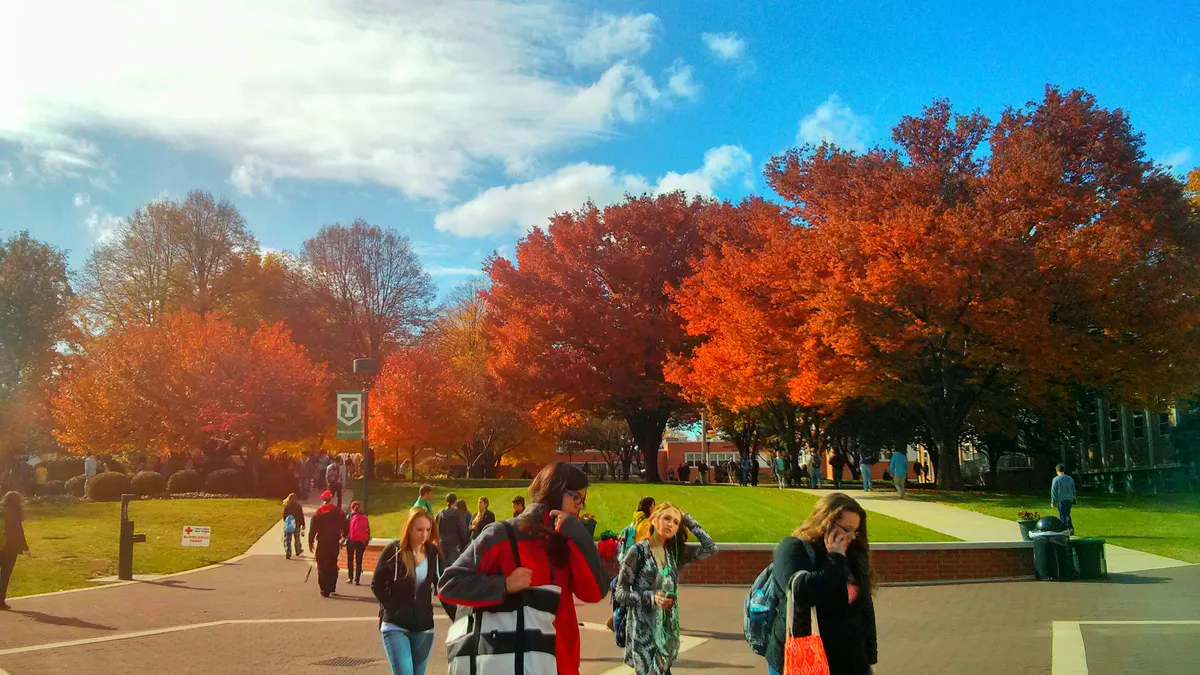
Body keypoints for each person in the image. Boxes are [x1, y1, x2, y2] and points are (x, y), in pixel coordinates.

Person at [438, 462, 607, 675]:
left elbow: (595, 592)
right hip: (509, 663)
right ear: (555, 491)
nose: (580, 506)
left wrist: (579, 535)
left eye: (583, 500)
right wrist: (504, 585)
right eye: (577, 498)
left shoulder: (565, 542)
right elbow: (449, 584)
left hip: (561, 665)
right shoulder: (502, 534)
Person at [767, 492, 878, 675]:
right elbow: (802, 593)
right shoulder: (793, 549)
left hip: (852, 661)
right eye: (846, 529)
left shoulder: (853, 555)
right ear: (826, 522)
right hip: (804, 660)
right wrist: (834, 558)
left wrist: (870, 657)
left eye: (856, 531)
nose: (852, 537)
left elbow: (865, 607)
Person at [615, 502, 718, 675]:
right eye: (667, 518)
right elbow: (620, 593)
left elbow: (710, 547)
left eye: (676, 522)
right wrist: (651, 597)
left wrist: (688, 520)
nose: (671, 524)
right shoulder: (638, 552)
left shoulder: (674, 553)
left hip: (667, 635)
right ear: (654, 520)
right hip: (644, 636)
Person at [372, 507, 451, 675]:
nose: (424, 535)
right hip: (395, 625)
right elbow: (376, 584)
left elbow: (443, 587)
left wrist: (457, 616)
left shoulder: (433, 553)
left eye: (428, 530)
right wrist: (393, 607)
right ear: (409, 528)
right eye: (419, 530)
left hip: (424, 627)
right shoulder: (394, 551)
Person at [308, 490, 348, 597]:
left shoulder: (318, 512)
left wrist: (310, 541)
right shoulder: (337, 511)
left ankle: (324, 589)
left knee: (322, 565)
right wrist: (344, 535)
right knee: (332, 563)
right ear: (331, 498)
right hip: (334, 541)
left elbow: (313, 528)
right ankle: (331, 586)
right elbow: (345, 524)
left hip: (322, 542)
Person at [1, 491, 31, 610]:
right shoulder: (15, 514)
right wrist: (26, 548)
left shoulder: (1, 512)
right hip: (9, 549)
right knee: (4, 576)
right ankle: (0, 601)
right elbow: (19, 534)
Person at [436, 493, 470, 563]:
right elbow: (462, 529)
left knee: (442, 566)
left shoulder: (440, 513)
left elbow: (435, 526)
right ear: (455, 501)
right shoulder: (457, 514)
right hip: (453, 546)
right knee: (453, 567)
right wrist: (464, 541)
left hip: (441, 543)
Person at [347, 501, 372, 585]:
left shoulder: (349, 516)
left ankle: (350, 577)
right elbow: (368, 529)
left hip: (351, 540)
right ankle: (357, 579)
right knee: (359, 560)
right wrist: (366, 540)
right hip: (361, 541)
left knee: (350, 559)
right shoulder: (364, 517)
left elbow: (345, 529)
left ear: (351, 507)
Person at [1051, 464, 1077, 534]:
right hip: (1069, 499)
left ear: (1057, 471)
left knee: (1063, 515)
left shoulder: (1056, 479)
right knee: (1067, 514)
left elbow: (1054, 491)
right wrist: (1074, 498)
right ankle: (1070, 528)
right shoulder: (1069, 478)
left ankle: (1064, 529)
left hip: (1061, 500)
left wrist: (1053, 502)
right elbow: (1073, 489)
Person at [282, 493, 306, 559]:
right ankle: (298, 550)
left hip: (289, 524)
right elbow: (301, 516)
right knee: (297, 538)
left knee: (287, 539)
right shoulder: (298, 506)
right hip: (297, 524)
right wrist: (303, 524)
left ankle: (288, 552)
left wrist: (286, 522)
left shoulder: (287, 506)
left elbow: (284, 516)